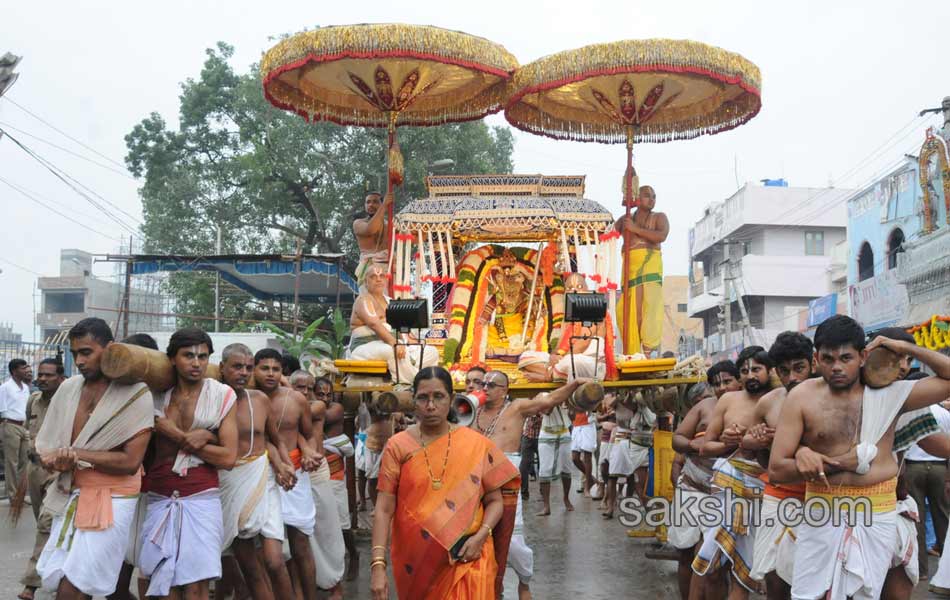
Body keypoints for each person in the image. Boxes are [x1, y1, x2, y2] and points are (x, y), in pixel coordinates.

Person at [769, 315, 950, 599]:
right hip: (822, 511)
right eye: (828, 359)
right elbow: (778, 469)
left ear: (863, 356)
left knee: (866, 594)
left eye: (846, 358)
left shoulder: (892, 394)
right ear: (816, 359)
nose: (837, 367)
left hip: (876, 511)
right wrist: (814, 460)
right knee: (808, 595)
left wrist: (903, 347)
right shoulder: (802, 397)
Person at [370, 366, 519, 599]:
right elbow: (384, 507)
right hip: (418, 563)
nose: (430, 406)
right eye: (423, 398)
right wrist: (378, 565)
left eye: (438, 397)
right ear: (413, 401)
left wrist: (480, 537)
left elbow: (495, 502)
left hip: (469, 557)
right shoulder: (398, 445)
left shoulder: (475, 443)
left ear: (450, 399)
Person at [34, 318, 154, 599]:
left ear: (110, 349)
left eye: (86, 352)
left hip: (115, 497)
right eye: (75, 353)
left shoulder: (136, 394)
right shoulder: (68, 388)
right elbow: (47, 447)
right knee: (68, 582)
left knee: (75, 587)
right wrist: (55, 461)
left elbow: (130, 462)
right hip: (72, 492)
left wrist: (74, 455)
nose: (79, 361)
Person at [139, 328, 238, 599]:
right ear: (172, 358)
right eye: (188, 356)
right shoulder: (156, 396)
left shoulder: (222, 395)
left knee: (197, 584)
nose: (196, 363)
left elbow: (228, 458)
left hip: (202, 496)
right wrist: (202, 438)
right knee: (162, 583)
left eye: (203, 357)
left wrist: (175, 434)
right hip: (159, 495)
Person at [473, 369, 587, 599]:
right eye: (483, 383)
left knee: (511, 539)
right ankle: (494, 589)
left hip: (506, 478)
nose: (486, 388)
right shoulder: (469, 410)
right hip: (474, 478)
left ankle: (524, 581)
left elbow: (550, 400)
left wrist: (573, 384)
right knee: (476, 535)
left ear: (505, 390)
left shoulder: (516, 408)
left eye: (492, 385)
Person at [693, 345, 774, 599]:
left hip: (762, 492)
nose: (751, 375)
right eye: (745, 370)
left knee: (746, 571)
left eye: (756, 369)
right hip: (726, 486)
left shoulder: (780, 398)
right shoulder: (729, 400)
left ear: (769, 371)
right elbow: (706, 446)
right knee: (714, 567)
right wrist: (733, 442)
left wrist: (760, 442)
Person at [218, 343, 296, 600]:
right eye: (237, 366)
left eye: (248, 368)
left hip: (264, 479)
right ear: (222, 368)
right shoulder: (214, 400)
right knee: (250, 567)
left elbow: (274, 440)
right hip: (231, 483)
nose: (243, 372)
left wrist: (285, 464)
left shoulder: (259, 400)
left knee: (275, 561)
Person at [741, 332, 815, 599]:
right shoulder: (768, 403)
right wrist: (757, 443)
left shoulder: (831, 397)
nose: (792, 377)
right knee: (776, 583)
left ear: (813, 363)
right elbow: (761, 461)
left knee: (814, 583)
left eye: (799, 368)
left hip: (821, 499)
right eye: (784, 371)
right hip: (779, 497)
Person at [254, 349, 320, 600]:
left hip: (295, 477)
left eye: (276, 369)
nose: (270, 374)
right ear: (254, 369)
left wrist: (308, 452)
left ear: (283, 372)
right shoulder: (246, 397)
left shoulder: (296, 400)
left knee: (301, 544)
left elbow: (308, 432)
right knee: (265, 550)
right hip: (261, 477)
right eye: (264, 368)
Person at [292, 369, 346, 599]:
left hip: (315, 474)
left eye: (308, 388)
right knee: (297, 538)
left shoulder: (316, 407)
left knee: (327, 532)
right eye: (299, 387)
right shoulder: (284, 405)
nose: (305, 392)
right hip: (292, 475)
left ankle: (335, 586)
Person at [670, 382, 726, 600]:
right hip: (690, 490)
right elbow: (678, 452)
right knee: (685, 555)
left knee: (708, 559)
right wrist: (696, 446)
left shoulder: (741, 408)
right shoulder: (702, 410)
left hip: (720, 496)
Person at [17, 358, 65, 600]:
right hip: (35, 469)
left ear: (61, 378)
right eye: (41, 375)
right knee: (44, 525)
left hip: (58, 471)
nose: (43, 379)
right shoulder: (33, 400)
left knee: (47, 522)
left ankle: (31, 584)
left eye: (49, 375)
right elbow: (29, 430)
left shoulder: (68, 403)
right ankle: (58, 571)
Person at [348, 261, 439, 383]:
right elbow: (374, 324)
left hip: (388, 342)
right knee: (393, 350)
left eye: (382, 276)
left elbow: (400, 328)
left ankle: (424, 379)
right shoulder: (363, 300)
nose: (378, 279)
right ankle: (410, 383)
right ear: (366, 282)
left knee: (430, 351)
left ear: (386, 280)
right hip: (364, 346)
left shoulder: (390, 302)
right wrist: (395, 342)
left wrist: (413, 342)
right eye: (373, 277)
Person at [615, 185, 669, 356]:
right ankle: (632, 353)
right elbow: (607, 233)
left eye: (654, 196)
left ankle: (646, 354)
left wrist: (635, 229)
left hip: (650, 270)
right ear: (637, 197)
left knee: (650, 310)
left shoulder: (659, 217)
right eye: (647, 195)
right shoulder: (625, 219)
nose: (652, 199)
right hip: (629, 271)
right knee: (629, 312)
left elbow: (661, 236)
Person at [320, 376, 360, 582]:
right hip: (317, 472)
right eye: (321, 394)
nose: (326, 398)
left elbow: (317, 417)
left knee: (343, 523)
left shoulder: (334, 409)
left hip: (334, 472)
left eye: (329, 394)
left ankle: (354, 554)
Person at [603, 392, 655, 520]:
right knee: (613, 474)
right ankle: (610, 507)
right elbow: (609, 404)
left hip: (638, 437)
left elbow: (634, 406)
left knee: (634, 476)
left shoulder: (641, 397)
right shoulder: (618, 395)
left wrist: (633, 394)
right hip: (621, 436)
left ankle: (630, 502)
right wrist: (621, 395)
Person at [1, 357, 33, 500]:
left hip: (24, 427)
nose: (26, 370)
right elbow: (1, 410)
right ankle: (13, 496)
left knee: (24, 462)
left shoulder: (26, 388)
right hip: (10, 425)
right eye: (22, 368)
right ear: (14, 371)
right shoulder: (5, 387)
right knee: (11, 462)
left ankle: (20, 495)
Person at [353, 191, 391, 290]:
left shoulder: (390, 225)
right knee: (369, 304)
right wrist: (384, 206)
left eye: (375, 202)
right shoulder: (358, 223)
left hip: (387, 271)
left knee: (387, 304)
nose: (371, 205)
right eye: (368, 202)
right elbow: (371, 229)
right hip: (368, 270)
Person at [519, 413, 541, 501]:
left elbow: (545, 414)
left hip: (541, 437)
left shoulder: (543, 401)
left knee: (543, 467)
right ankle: (524, 494)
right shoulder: (528, 401)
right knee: (523, 466)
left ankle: (543, 492)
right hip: (527, 436)